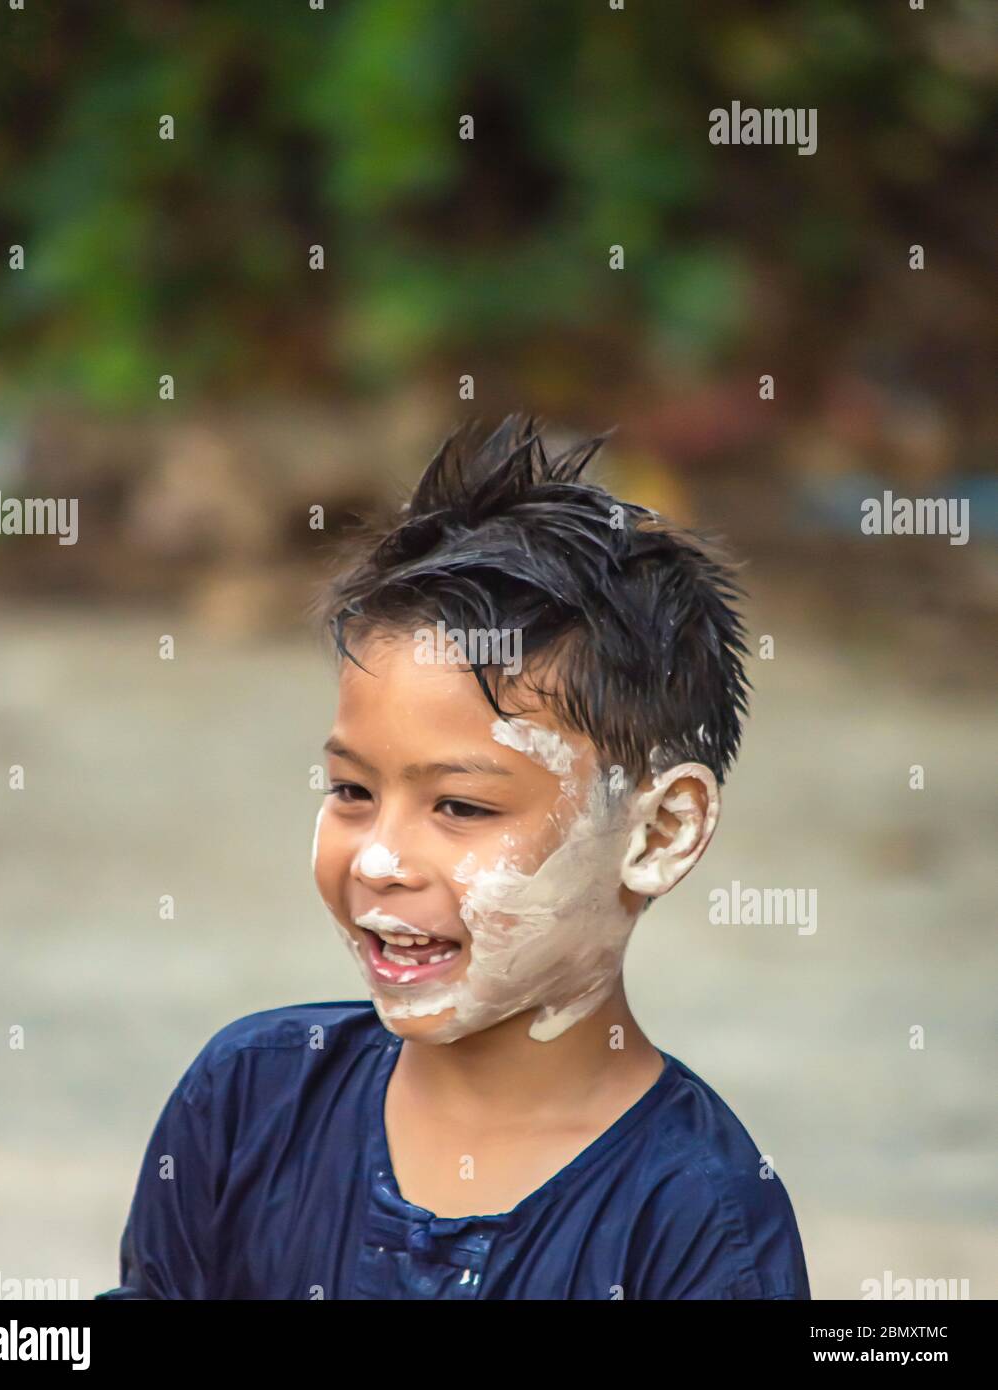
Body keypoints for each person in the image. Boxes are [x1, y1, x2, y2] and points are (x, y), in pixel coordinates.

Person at [96, 417, 810, 1299]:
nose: (381, 860)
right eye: (352, 792)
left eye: (461, 805)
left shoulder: (697, 1221)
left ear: (660, 833)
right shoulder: (250, 1098)